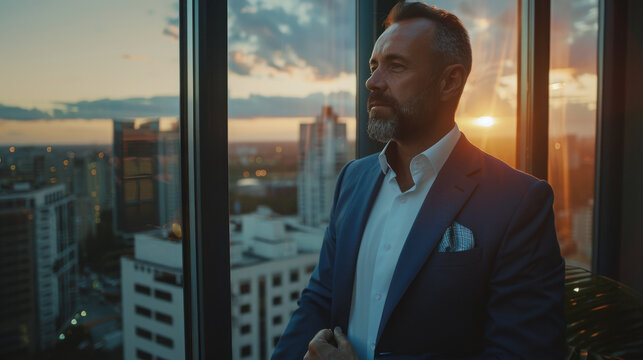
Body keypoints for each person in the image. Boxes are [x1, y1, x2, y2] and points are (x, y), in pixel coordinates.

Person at [272, 2, 565, 359]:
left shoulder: (519, 202)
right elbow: (320, 297)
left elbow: (523, 352)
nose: (372, 82)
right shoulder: (353, 178)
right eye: (374, 66)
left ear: (449, 81)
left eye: (395, 66)